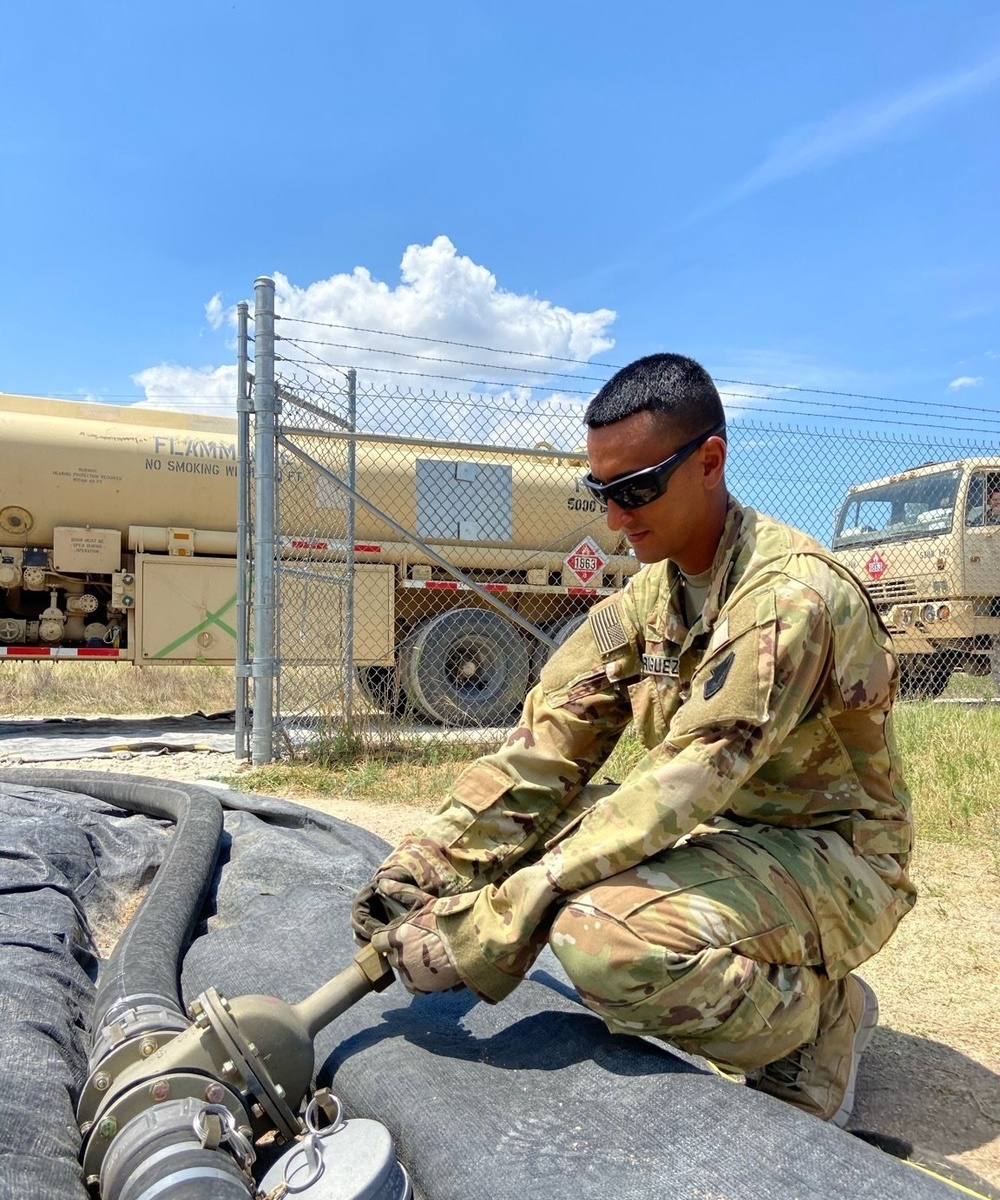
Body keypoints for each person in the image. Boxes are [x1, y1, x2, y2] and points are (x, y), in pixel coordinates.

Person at [352, 353, 915, 1127]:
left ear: (710, 461)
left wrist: (494, 921)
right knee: (538, 835)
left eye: (637, 490)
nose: (615, 518)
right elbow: (545, 750)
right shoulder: (651, 597)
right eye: (602, 493)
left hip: (834, 857)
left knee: (601, 938)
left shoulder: (787, 600)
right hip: (729, 834)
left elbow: (684, 781)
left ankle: (818, 1019)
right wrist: (429, 866)